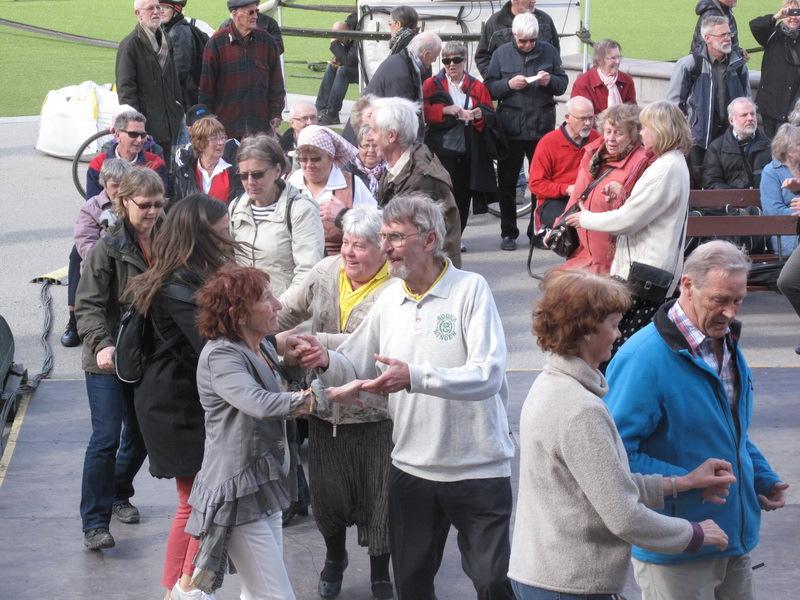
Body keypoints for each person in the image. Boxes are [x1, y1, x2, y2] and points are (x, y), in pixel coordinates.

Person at [288, 193, 516, 600]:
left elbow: (487, 375)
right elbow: (356, 360)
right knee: (411, 584)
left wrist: (415, 376)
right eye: (384, 236)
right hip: (412, 468)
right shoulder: (390, 298)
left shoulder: (470, 290)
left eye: (394, 236)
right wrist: (326, 359)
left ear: (429, 240)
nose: (386, 246)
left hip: (478, 466)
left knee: (492, 582)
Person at [509, 269, 734, 600]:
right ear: (586, 331)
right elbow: (623, 515)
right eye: (613, 325)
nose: (618, 334)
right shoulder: (581, 410)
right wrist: (694, 533)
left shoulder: (550, 385)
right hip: (569, 584)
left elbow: (603, 486)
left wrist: (681, 484)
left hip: (544, 576)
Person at [606, 240, 789, 600]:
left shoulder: (726, 342)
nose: (730, 312)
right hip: (678, 548)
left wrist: (761, 476)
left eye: (738, 301)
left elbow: (731, 429)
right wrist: (688, 481)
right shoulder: (643, 359)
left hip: (733, 540)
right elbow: (615, 456)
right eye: (720, 300)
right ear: (687, 286)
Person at [184, 264, 361, 600]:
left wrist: (292, 363)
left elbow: (277, 388)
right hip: (237, 492)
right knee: (275, 595)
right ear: (239, 313)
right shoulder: (221, 357)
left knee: (257, 591)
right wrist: (331, 395)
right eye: (266, 299)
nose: (278, 305)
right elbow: (262, 403)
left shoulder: (261, 346)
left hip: (264, 484)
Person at [277, 207, 395, 600]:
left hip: (376, 413)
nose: (348, 251)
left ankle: (381, 573)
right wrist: (256, 336)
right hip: (325, 410)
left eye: (359, 245)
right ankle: (335, 558)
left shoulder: (395, 288)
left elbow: (377, 349)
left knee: (379, 498)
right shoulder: (325, 272)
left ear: (382, 248)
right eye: (345, 241)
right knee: (328, 496)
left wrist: (317, 343)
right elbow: (284, 311)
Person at [124, 195, 236, 600]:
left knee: (193, 503)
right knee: (198, 503)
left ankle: (177, 589)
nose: (229, 239)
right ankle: (185, 589)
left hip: (177, 404)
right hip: (175, 410)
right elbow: (215, 346)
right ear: (200, 237)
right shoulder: (178, 285)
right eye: (221, 233)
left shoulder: (183, 277)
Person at [74, 166, 165, 550]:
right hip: (107, 358)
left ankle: (117, 492)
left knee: (142, 435)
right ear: (123, 202)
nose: (153, 212)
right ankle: (95, 523)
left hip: (146, 355)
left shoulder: (168, 242)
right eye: (145, 205)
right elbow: (88, 305)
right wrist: (101, 343)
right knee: (106, 437)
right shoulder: (105, 250)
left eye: (159, 204)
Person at [565, 101, 692, 351]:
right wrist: (624, 194)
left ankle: (617, 388)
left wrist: (585, 218)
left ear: (660, 129)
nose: (641, 133)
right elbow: (648, 209)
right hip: (649, 270)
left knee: (622, 345)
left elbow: (628, 219)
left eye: (645, 128)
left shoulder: (666, 168)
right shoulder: (670, 163)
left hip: (644, 273)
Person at [61, 109, 168, 349]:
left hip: (139, 227)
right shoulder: (100, 162)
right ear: (118, 134)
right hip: (105, 233)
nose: (140, 140)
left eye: (143, 135)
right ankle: (74, 318)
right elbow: (92, 201)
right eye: (134, 135)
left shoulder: (155, 160)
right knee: (78, 253)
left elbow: (159, 200)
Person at [485, 12, 568, 251]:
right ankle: (508, 232)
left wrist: (549, 81)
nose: (528, 45)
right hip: (510, 128)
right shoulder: (501, 54)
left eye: (532, 40)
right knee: (508, 184)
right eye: (523, 41)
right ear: (514, 36)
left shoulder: (549, 52)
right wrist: (508, 85)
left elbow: (562, 84)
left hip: (540, 128)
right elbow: (489, 88)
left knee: (539, 184)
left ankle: (537, 230)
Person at [229, 133, 324, 301]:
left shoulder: (301, 210)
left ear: (277, 171)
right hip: (247, 315)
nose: (250, 181)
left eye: (257, 174)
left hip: (287, 316)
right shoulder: (235, 208)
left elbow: (308, 275)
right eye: (243, 175)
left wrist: (274, 315)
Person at [370, 96, 462, 267]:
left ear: (391, 136)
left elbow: (400, 237)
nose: (370, 137)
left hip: (425, 278)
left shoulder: (420, 179)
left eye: (374, 130)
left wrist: (343, 216)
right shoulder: (400, 164)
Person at [559, 103, 651, 274]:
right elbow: (579, 193)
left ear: (632, 135)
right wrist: (561, 223)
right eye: (608, 131)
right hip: (584, 250)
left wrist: (619, 194)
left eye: (619, 133)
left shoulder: (640, 162)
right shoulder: (594, 154)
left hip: (612, 256)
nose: (611, 138)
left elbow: (635, 209)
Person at [423, 41, 498, 233]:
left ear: (464, 61)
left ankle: (457, 236)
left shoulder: (477, 86)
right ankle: (439, 235)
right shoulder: (432, 84)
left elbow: (490, 113)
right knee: (440, 193)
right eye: (447, 61)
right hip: (441, 148)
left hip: (468, 147)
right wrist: (445, 110)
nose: (451, 65)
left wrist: (479, 115)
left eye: (456, 60)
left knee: (463, 196)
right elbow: (421, 111)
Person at [667, 15, 750, 188]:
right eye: (723, 35)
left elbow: (746, 101)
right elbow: (673, 107)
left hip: (730, 139)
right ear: (708, 38)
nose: (728, 38)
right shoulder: (689, 65)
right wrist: (685, 133)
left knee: (727, 182)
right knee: (697, 184)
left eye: (729, 34)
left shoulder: (738, 65)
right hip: (698, 140)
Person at [199, 0, 285, 140]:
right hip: (226, 129)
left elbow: (276, 84)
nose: (256, 16)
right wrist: (208, 121)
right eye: (250, 12)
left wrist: (276, 113)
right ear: (234, 14)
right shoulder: (216, 43)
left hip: (260, 129)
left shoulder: (267, 42)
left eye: (256, 11)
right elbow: (206, 90)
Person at [287, 125, 376, 255]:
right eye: (303, 159)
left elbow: (376, 226)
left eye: (316, 159)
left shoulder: (351, 184)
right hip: (293, 260)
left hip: (338, 264)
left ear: (331, 157)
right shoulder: (289, 182)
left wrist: (344, 215)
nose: (309, 165)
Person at [116, 0, 184, 163]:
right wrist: (136, 129)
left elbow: (174, 81)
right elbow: (126, 92)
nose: (156, 11)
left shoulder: (166, 40)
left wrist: (179, 109)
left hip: (170, 124)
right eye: (150, 8)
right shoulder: (129, 45)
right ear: (138, 14)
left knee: (167, 175)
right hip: (146, 129)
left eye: (158, 7)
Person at [528, 96, 599, 244]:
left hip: (588, 196)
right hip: (556, 199)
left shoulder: (597, 138)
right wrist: (566, 189)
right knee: (570, 227)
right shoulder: (548, 142)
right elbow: (536, 184)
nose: (588, 123)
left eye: (591, 118)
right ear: (567, 118)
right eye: (583, 119)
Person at [364, 31, 442, 140]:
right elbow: (401, 119)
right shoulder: (402, 74)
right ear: (426, 54)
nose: (434, 61)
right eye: (435, 57)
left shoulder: (405, 62)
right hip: (371, 136)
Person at [750, 1, 800, 137]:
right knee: (771, 146)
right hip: (771, 104)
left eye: (798, 13)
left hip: (794, 105)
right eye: (790, 12)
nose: (793, 17)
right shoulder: (772, 33)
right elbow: (755, 25)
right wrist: (776, 16)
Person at [474, 0, 560, 78]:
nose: (534, 1)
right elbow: (482, 57)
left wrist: (550, 79)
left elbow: (555, 51)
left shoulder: (545, 20)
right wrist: (497, 82)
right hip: (507, 92)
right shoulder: (495, 23)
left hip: (541, 90)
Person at [702, 97, 771, 189]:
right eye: (744, 115)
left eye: (752, 114)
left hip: (762, 200)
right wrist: (738, 197)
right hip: (730, 202)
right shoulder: (716, 148)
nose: (750, 118)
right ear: (731, 120)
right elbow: (711, 183)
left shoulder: (770, 145)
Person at [173, 115, 243, 203]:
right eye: (214, 138)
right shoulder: (185, 171)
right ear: (200, 143)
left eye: (223, 137)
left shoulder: (235, 171)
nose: (221, 142)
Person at [74, 159, 130, 262]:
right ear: (104, 184)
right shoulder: (92, 208)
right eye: (115, 185)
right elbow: (86, 243)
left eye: (124, 185)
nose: (120, 190)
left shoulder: (137, 203)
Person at [159, 0, 208, 110]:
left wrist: (162, 89)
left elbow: (180, 69)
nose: (161, 11)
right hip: (180, 95)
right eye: (159, 7)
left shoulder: (180, 31)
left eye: (166, 7)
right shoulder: (168, 27)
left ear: (176, 10)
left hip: (183, 98)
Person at [760, 123, 800, 255]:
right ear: (788, 149)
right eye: (799, 144)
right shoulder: (771, 172)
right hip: (786, 233)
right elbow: (773, 210)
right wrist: (797, 211)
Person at [570, 39, 637, 114]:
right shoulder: (583, 83)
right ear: (599, 60)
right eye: (613, 58)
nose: (618, 61)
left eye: (619, 57)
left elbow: (633, 113)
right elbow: (580, 116)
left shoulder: (626, 80)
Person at [316, 14, 359, 126]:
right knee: (332, 66)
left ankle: (332, 114)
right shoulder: (351, 27)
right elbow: (348, 54)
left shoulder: (358, 35)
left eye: (340, 39)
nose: (340, 42)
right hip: (357, 65)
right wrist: (339, 57)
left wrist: (335, 44)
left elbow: (349, 61)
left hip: (366, 70)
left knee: (343, 71)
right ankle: (321, 108)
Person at [279, 101, 319, 172]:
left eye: (313, 118)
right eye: (304, 118)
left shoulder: (327, 146)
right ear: (291, 123)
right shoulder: (280, 149)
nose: (310, 122)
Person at [349, 125, 386, 198]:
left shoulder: (390, 170)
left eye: (375, 145)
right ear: (359, 147)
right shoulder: (348, 171)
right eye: (366, 145)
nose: (371, 150)